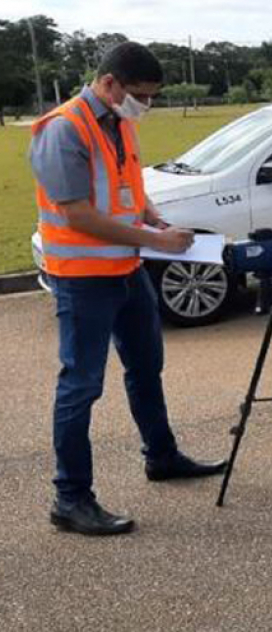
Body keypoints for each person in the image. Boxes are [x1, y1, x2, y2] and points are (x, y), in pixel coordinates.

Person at [29, 42, 225, 537]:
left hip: (126, 270)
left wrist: (151, 215)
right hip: (83, 279)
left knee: (146, 367)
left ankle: (161, 456)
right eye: (141, 94)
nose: (147, 104)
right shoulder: (63, 128)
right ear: (109, 82)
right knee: (81, 386)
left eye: (152, 96)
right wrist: (156, 239)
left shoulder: (120, 122)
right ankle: (70, 498)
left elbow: (123, 190)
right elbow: (78, 213)